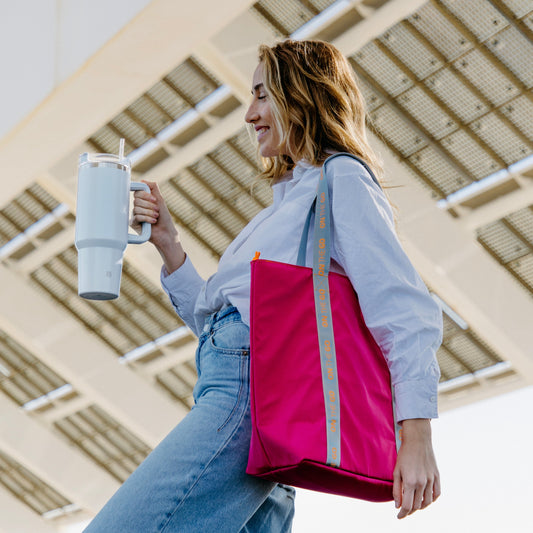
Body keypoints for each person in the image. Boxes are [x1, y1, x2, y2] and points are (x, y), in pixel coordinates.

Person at [85, 39, 441, 532]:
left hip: (248, 396)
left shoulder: (342, 180)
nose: (250, 114)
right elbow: (218, 322)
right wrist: (168, 243)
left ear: (302, 95)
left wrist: (417, 435)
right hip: (249, 396)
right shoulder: (286, 203)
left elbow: (402, 308)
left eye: (262, 95)